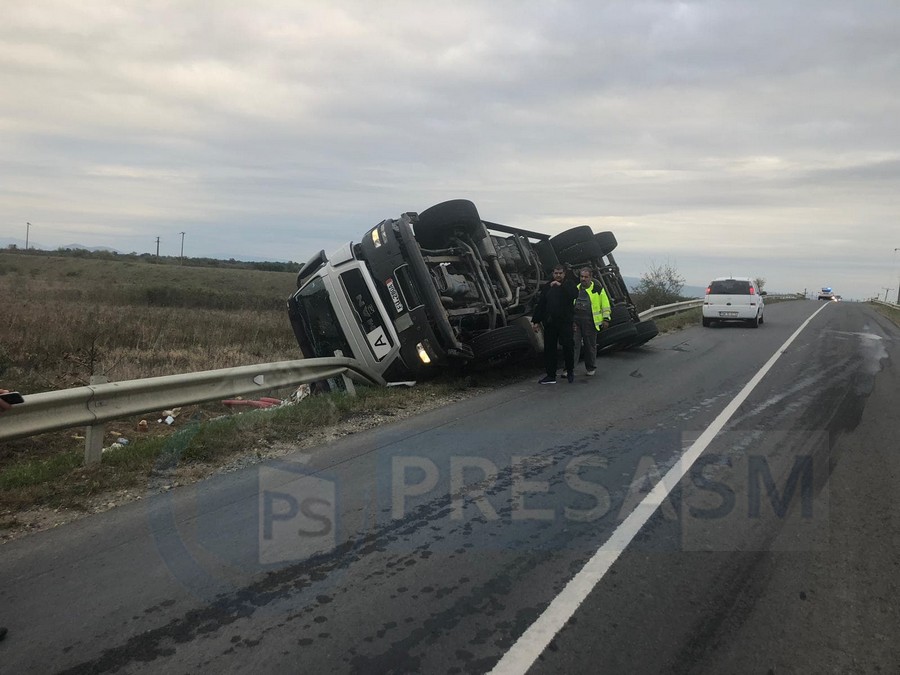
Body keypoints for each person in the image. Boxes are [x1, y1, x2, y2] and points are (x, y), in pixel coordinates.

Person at [531, 265, 578, 384]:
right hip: (550, 322)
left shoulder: (569, 284)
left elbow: (573, 295)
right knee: (550, 349)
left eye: (560, 273)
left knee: (568, 347)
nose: (558, 275)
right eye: (556, 273)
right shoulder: (547, 286)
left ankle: (570, 371)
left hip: (565, 322)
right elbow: (541, 304)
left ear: (564, 274)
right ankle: (550, 375)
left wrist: (561, 286)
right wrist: (536, 321)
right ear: (553, 274)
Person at [573, 268, 611, 376]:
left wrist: (606, 319)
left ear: (590, 277)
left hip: (591, 322)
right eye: (581, 277)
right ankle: (570, 368)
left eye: (586, 277)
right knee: (574, 345)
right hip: (576, 322)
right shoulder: (576, 289)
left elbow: (605, 305)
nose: (583, 279)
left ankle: (590, 368)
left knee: (590, 345)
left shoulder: (598, 290)